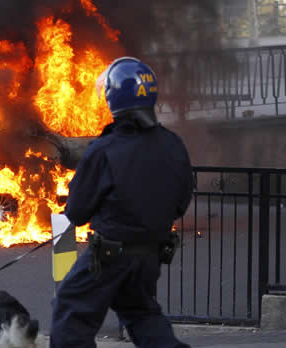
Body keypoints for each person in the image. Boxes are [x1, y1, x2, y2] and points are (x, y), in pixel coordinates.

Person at [50, 57, 193, 348]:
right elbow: (181, 201)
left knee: (71, 312)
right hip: (150, 257)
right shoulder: (173, 144)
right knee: (142, 315)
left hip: (109, 257)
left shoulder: (105, 149)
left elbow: (76, 212)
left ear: (113, 98)